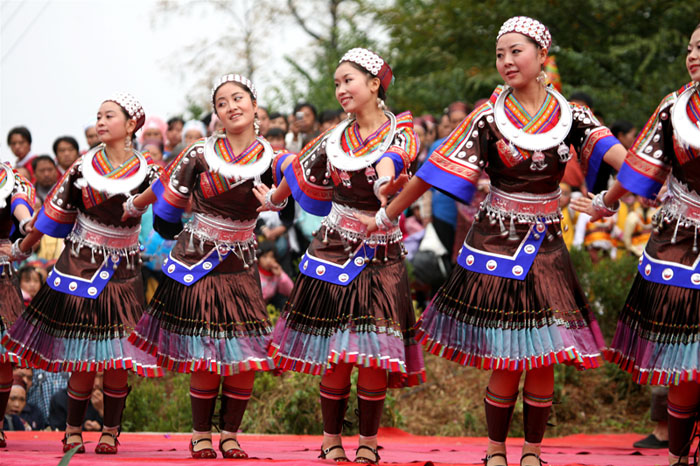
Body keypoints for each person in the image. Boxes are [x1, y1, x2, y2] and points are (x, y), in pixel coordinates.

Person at [359, 17, 629, 466]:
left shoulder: (573, 115)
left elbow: (629, 163)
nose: (506, 61)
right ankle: (496, 451)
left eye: (516, 51)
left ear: (542, 55)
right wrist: (388, 211)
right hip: (498, 245)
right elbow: (433, 171)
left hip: (546, 247)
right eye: (500, 54)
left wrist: (606, 200)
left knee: (545, 354)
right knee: (507, 354)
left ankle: (534, 452)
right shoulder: (488, 116)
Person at [256, 47, 425, 465]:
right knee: (336, 353)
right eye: (336, 83)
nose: (341, 89)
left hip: (381, 252)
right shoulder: (333, 138)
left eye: (348, 80)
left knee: (371, 351)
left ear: (374, 84)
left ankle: (367, 441)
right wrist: (272, 198)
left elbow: (395, 158)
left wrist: (386, 184)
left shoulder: (401, 129)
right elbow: (300, 168)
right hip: (332, 250)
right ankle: (331, 439)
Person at [127, 74, 288, 459]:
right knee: (206, 349)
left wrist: (276, 202)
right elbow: (166, 194)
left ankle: (230, 434)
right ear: (216, 114)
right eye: (222, 103)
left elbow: (298, 197)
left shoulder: (277, 159)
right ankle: (201, 433)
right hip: (197, 261)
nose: (231, 106)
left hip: (241, 264)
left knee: (245, 352)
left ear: (253, 105)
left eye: (238, 98)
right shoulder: (198, 154)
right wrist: (137, 205)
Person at [2, 92, 163, 454]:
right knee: (82, 354)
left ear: (131, 124)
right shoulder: (82, 167)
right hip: (79, 265)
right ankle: (72, 429)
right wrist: (22, 247)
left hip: (123, 271)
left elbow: (170, 205)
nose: (100, 122)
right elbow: (52, 213)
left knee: (118, 357)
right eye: (98, 116)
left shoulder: (150, 170)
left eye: (109, 116)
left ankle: (110, 431)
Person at [572, 22, 700, 466]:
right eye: (689, 48)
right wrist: (605, 202)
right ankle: (677, 455)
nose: (693, 56)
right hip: (680, 242)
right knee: (684, 354)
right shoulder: (675, 108)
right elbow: (641, 165)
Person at [0, 160, 34, 446]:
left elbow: (19, 203)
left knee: (2, 359)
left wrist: (25, 223)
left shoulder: (6, 176)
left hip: (0, 279)